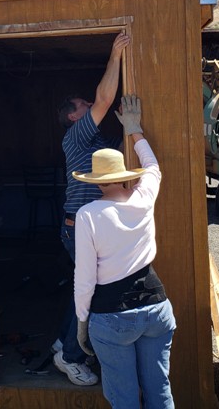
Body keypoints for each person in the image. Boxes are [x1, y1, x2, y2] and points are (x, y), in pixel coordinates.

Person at [73, 94, 175, 409]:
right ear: (122, 176)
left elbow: (85, 277)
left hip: (112, 316)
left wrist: (81, 322)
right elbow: (152, 167)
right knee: (159, 392)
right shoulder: (143, 197)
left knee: (125, 400)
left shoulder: (88, 214)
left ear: (97, 182)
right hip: (157, 309)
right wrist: (134, 129)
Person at [53, 32, 130, 386]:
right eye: (81, 105)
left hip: (85, 226)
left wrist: (132, 127)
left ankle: (63, 342)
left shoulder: (97, 141)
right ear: (73, 117)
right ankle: (70, 356)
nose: (89, 104)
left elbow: (124, 149)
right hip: (79, 227)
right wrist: (115, 55)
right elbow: (103, 97)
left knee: (82, 288)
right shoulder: (77, 136)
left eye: (87, 103)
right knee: (90, 290)